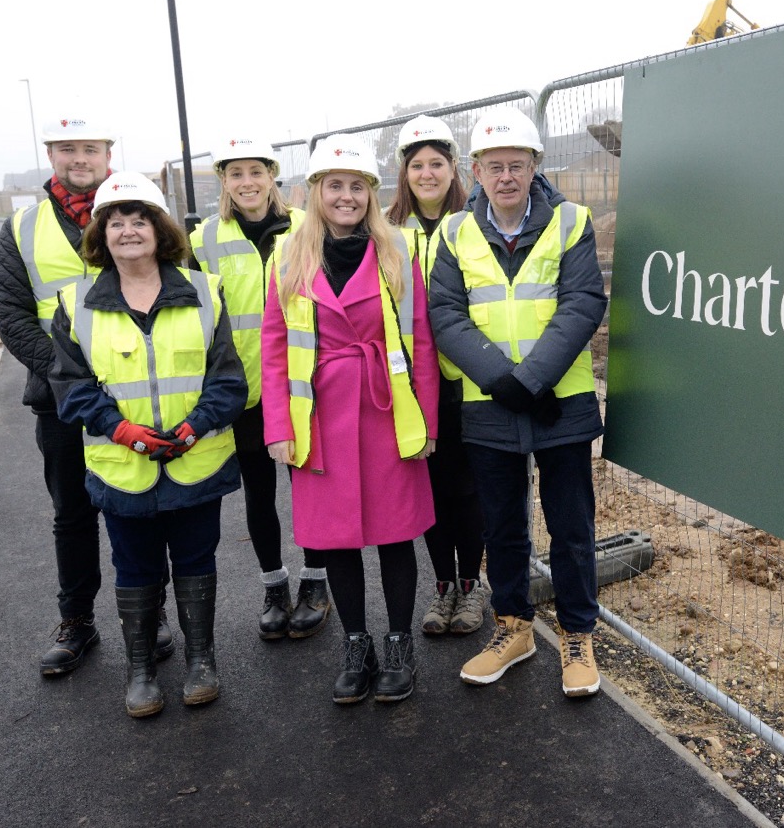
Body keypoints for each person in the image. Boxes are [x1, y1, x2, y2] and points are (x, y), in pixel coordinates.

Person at [48, 172, 247, 718]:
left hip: (195, 461)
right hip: (122, 467)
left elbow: (228, 378)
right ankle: (140, 670)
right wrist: (120, 430)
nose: (129, 231)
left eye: (140, 220)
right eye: (117, 221)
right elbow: (69, 384)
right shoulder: (78, 303)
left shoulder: (204, 292)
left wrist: (194, 427)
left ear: (160, 231)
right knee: (133, 566)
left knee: (195, 558)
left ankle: (201, 661)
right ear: (101, 234)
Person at [428, 106, 609, 698]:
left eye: (517, 164)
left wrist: (527, 382)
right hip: (489, 408)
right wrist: (501, 380)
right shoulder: (454, 232)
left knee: (571, 526)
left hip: (561, 403)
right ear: (474, 170)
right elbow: (445, 314)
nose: (506, 176)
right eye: (494, 166)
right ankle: (512, 627)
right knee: (501, 526)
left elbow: (582, 302)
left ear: (535, 165)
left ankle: (578, 635)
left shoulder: (571, 221)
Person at [0, 116, 174, 676]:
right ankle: (77, 621)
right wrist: (71, 377)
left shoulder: (140, 211)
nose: (79, 158)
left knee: (142, 507)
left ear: (107, 152)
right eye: (67, 149)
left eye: (90, 148)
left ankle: (153, 616)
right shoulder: (23, 226)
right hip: (60, 400)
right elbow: (13, 315)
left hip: (138, 395)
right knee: (72, 513)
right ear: (50, 155)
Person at [261, 134, 439, 704]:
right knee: (337, 541)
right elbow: (273, 346)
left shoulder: (398, 252)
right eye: (334, 186)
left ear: (371, 192)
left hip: (389, 413)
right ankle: (355, 647)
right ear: (315, 192)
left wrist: (428, 423)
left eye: (356, 186)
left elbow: (422, 341)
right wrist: (279, 428)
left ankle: (398, 648)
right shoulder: (287, 256)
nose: (346, 197)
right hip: (318, 419)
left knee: (393, 537)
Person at [192, 137, 332, 641]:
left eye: (256, 171)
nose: (247, 182)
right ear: (223, 181)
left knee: (310, 489)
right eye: (235, 174)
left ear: (272, 174)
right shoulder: (204, 238)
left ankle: (316, 583)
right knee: (258, 493)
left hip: (303, 385)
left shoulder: (306, 227)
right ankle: (274, 585)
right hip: (243, 391)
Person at [386, 116, 490, 637]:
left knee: (466, 489)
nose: (427, 174)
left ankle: (472, 585)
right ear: (404, 173)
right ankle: (443, 584)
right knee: (428, 487)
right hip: (410, 382)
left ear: (454, 169)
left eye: (436, 164)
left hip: (465, 379)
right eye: (417, 165)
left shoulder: (475, 223)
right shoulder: (384, 231)